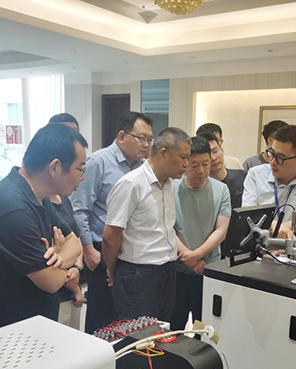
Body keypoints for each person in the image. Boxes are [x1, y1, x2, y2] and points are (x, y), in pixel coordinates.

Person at [0, 124, 86, 329]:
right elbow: (51, 283)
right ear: (55, 167)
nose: (82, 177)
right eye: (80, 168)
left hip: (35, 321)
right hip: (12, 329)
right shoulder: (12, 207)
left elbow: (75, 242)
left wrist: (57, 259)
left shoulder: (37, 196)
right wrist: (61, 267)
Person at [71, 111, 153, 332]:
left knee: (124, 313)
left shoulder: (143, 166)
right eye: (141, 138)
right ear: (122, 136)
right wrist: (88, 248)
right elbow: (80, 208)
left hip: (129, 250)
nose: (146, 145)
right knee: (102, 311)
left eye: (149, 140)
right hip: (100, 247)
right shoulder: (99, 162)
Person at [103, 127, 192, 322]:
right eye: (183, 157)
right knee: (138, 335)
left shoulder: (169, 184)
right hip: (138, 274)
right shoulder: (131, 183)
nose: (186, 164)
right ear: (164, 153)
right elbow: (110, 236)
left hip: (168, 270)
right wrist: (112, 269)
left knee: (162, 332)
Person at [172, 136, 231, 329]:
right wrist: (190, 260)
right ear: (185, 163)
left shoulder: (221, 190)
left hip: (209, 271)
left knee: (204, 328)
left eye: (205, 164)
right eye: (194, 165)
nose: (201, 170)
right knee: (174, 327)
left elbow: (221, 230)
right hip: (177, 271)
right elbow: (167, 229)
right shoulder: (171, 188)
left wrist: (196, 256)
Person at [242, 125, 296, 236]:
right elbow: (248, 215)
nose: (273, 162)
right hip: (260, 239)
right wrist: (275, 227)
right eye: (271, 154)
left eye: (280, 158)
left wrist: (282, 227)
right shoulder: (256, 174)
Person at [47, 113, 86, 326]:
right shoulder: (39, 200)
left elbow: (75, 239)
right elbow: (49, 257)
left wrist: (77, 268)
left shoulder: (64, 196)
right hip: (53, 293)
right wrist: (73, 284)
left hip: (72, 287)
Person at [202, 131, 246, 210]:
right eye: (207, 155)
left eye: (215, 151)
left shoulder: (244, 177)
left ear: (222, 150)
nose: (213, 158)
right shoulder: (200, 187)